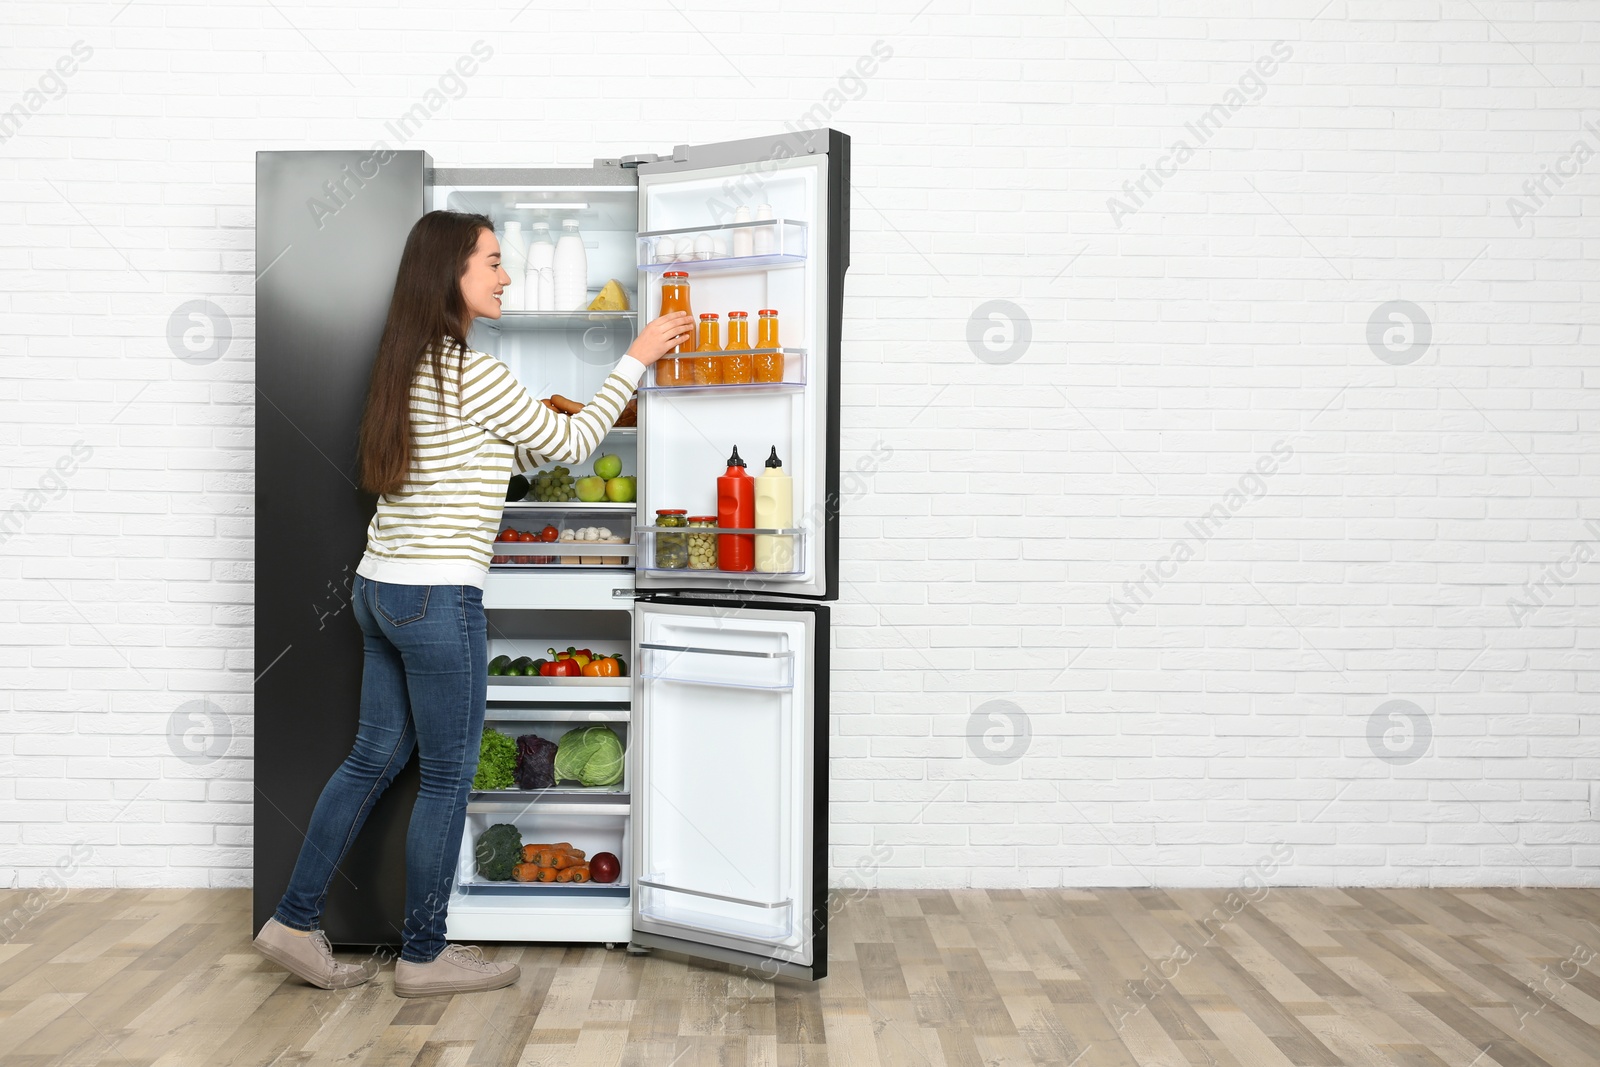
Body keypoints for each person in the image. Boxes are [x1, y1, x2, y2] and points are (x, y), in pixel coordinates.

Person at [252, 210, 691, 997]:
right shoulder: (476, 372)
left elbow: (492, 453)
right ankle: (424, 954)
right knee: (449, 776)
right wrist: (636, 356)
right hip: (438, 595)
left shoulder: (413, 366)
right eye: (491, 261)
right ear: (451, 273)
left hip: (379, 589)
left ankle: (292, 918)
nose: (505, 275)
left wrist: (537, 431)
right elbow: (574, 444)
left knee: (370, 761)